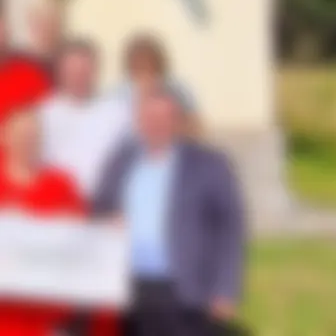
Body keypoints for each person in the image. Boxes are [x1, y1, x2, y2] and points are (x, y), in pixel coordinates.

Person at [93, 87, 246, 336]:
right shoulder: (121, 161)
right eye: (149, 118)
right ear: (138, 120)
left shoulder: (209, 164)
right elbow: (98, 207)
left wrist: (225, 290)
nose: (156, 125)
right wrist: (106, 220)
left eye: (164, 118)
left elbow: (230, 229)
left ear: (177, 122)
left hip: (184, 288)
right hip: (128, 287)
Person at [0, 104, 86, 336]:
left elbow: (86, 246)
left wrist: (107, 234)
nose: (27, 141)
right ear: (4, 136)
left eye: (33, 135)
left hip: (48, 323)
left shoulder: (63, 185)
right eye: (20, 134)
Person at [39, 40, 132, 199]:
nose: (79, 76)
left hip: (105, 204)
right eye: (72, 71)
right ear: (60, 72)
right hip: (57, 205)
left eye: (85, 70)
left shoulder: (119, 113)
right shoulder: (43, 114)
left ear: (96, 70)